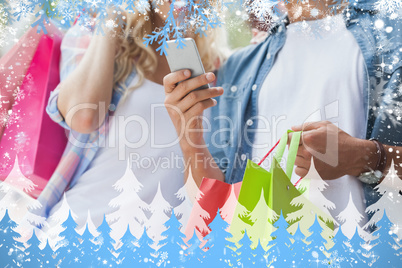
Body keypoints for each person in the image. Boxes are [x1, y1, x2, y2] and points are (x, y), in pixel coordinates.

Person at [164, 0, 402, 235]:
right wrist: (190, 140)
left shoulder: (393, 40)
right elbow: (212, 214)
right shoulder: (237, 68)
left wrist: (363, 157)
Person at [39, 1, 227, 242]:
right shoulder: (95, 36)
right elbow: (83, 116)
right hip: (76, 235)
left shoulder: (225, 72)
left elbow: (213, 192)